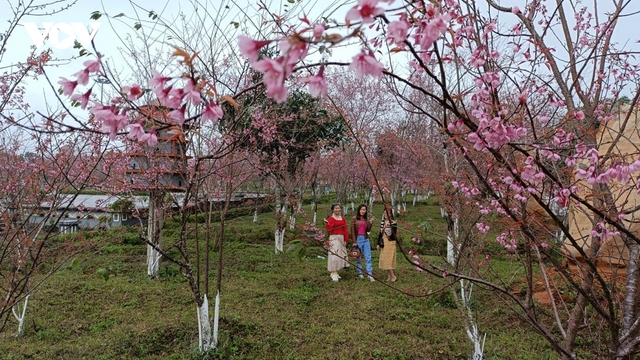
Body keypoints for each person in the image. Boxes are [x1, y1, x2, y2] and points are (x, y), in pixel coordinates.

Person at [324, 203, 349, 282]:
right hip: (334, 237)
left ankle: (335, 271)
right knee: (334, 255)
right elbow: (329, 229)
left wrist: (346, 239)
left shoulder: (343, 218)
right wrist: (327, 223)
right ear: (333, 210)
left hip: (341, 237)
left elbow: (345, 229)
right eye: (336, 208)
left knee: (340, 255)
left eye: (338, 208)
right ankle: (334, 272)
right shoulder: (331, 218)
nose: (337, 209)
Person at [351, 204, 375, 282]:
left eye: (364, 210)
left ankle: (369, 273)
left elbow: (368, 230)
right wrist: (354, 241)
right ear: (359, 210)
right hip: (358, 239)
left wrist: (370, 223)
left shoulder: (366, 219)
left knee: (368, 256)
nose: (362, 211)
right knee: (358, 257)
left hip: (365, 239)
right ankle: (360, 272)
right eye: (361, 209)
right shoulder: (354, 219)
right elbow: (352, 231)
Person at [376, 204, 398, 282]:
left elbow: (394, 234)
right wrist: (378, 243)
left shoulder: (393, 222)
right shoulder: (382, 222)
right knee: (383, 259)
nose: (386, 215)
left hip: (390, 242)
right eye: (384, 213)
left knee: (388, 260)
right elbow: (380, 233)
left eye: (388, 213)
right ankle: (389, 277)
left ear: (391, 214)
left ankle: (393, 276)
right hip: (383, 241)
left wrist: (391, 226)